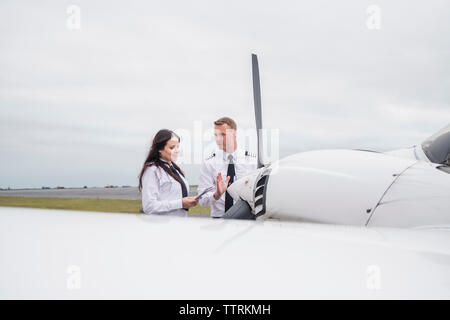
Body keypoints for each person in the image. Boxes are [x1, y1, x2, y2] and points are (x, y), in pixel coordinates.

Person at [198, 117, 257, 218]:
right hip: (219, 220)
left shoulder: (253, 161)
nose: (218, 139)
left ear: (234, 133)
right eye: (216, 135)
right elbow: (202, 201)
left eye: (222, 134)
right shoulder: (209, 163)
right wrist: (216, 194)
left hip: (247, 220)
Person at [139, 129, 199, 216]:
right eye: (172, 147)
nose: (177, 150)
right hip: (163, 226)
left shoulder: (175, 169)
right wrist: (180, 203)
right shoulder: (152, 170)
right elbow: (149, 207)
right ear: (160, 149)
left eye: (178, 146)